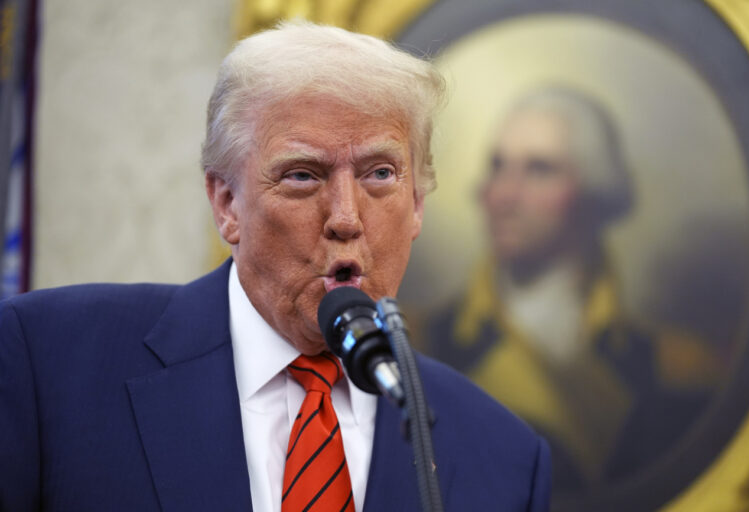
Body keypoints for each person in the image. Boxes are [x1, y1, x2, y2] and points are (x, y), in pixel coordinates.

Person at [0, 21, 550, 512]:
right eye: (303, 175)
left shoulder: (501, 456)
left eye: (380, 174)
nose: (345, 218)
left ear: (418, 206)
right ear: (227, 204)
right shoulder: (48, 362)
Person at [426, 87, 721, 490]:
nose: (503, 194)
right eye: (498, 166)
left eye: (540, 169)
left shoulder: (680, 368)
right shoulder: (419, 343)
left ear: (594, 191)